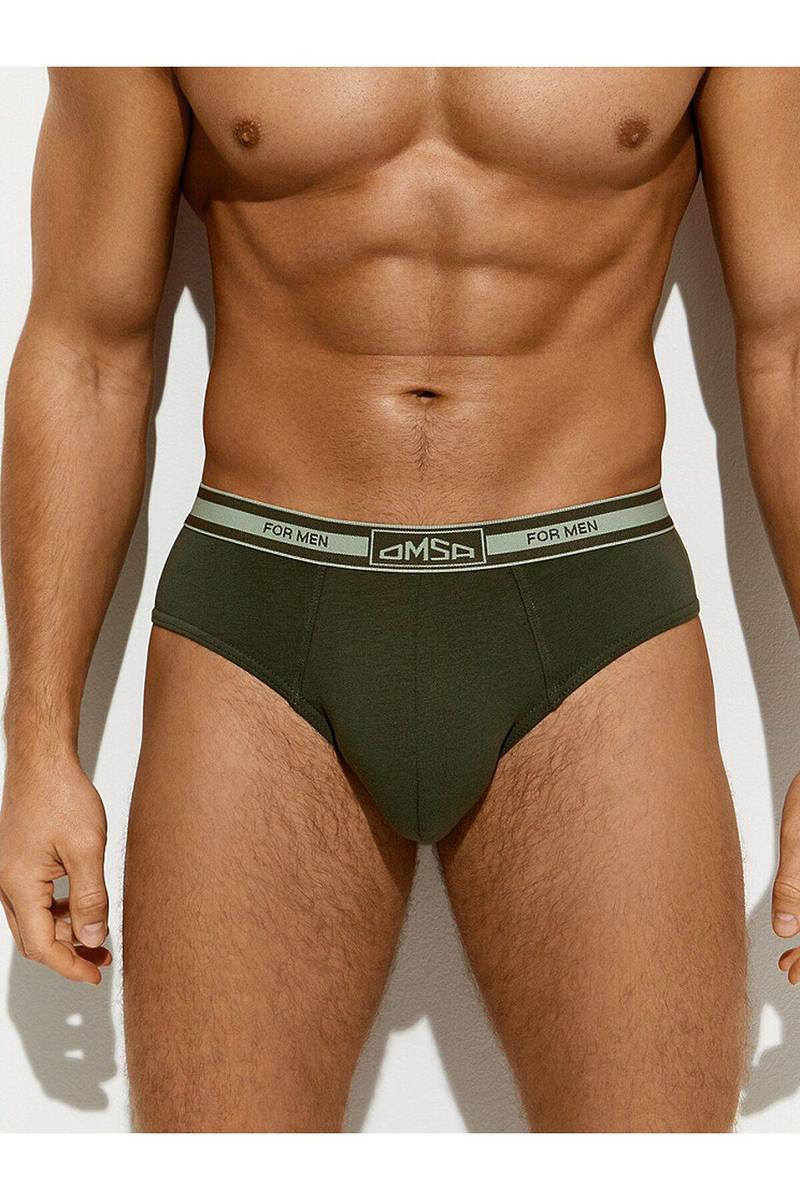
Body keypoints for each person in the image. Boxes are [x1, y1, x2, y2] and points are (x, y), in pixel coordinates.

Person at [1, 66, 798, 1133]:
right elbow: (84, 351)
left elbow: (788, 344)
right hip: (260, 625)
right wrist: (36, 744)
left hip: (592, 619)